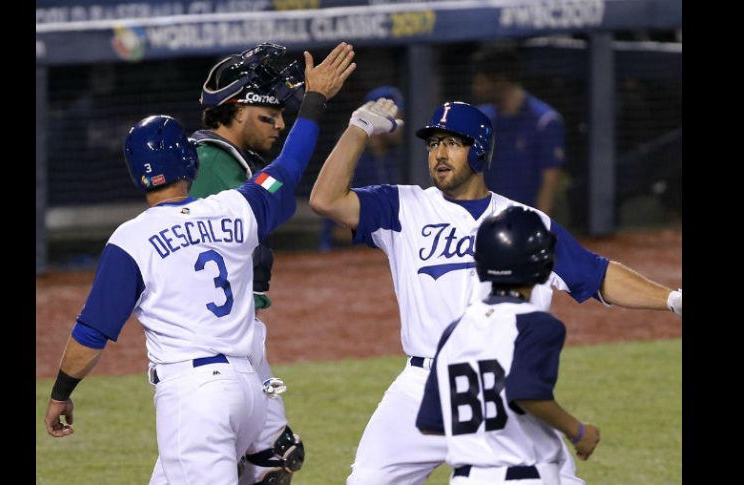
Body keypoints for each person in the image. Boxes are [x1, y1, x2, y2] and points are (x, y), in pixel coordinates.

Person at [308, 99, 681, 485]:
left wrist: (672, 299)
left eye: (452, 142)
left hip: (503, 387)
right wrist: (360, 128)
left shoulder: (525, 223)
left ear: (480, 150)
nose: (439, 153)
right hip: (422, 384)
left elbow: (597, 275)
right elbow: (325, 200)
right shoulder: (402, 206)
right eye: (433, 143)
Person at [43, 41, 356, 485]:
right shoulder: (233, 207)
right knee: (259, 462)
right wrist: (315, 101)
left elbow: (90, 333)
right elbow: (289, 167)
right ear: (191, 160)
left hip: (193, 393)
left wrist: (61, 393)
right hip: (248, 386)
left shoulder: (131, 239)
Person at [186, 42, 309, 485]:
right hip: (209, 351)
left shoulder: (224, 162)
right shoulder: (207, 163)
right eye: (267, 115)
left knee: (272, 458)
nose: (279, 124)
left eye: (281, 115)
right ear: (236, 111)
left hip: (236, 340)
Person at [416, 206, 600, 484]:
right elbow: (526, 392)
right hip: (524, 477)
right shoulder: (537, 324)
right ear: (542, 264)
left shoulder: (455, 330)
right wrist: (578, 431)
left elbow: (433, 422)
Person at [471, 45, 565, 214]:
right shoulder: (481, 119)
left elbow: (549, 183)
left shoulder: (544, 121)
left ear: (500, 80)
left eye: (481, 81)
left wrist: (538, 228)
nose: (476, 88)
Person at [319, 85, 405, 251]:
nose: (400, 124)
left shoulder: (397, 157)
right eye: (396, 117)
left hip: (380, 250)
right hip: (341, 254)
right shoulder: (350, 158)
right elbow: (338, 231)